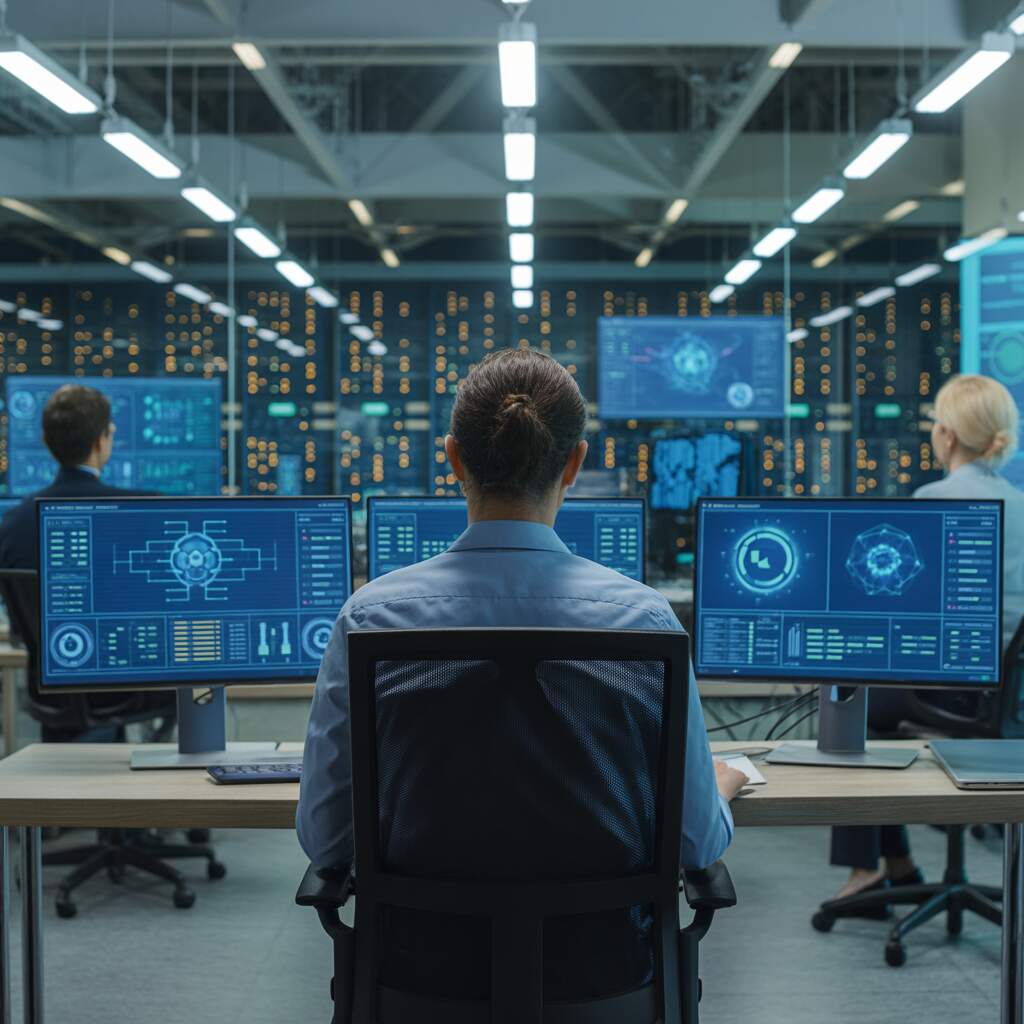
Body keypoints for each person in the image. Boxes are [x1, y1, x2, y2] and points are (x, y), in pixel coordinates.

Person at [298, 347, 746, 998]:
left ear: (453, 459)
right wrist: (719, 785)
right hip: (605, 985)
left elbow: (325, 839)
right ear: (574, 465)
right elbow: (699, 845)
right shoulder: (642, 621)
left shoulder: (372, 618)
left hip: (418, 984)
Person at [829, 373, 1024, 903]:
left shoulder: (935, 498)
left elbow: (911, 615)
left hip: (955, 690)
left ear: (947, 435)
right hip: (1010, 699)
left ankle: (869, 869)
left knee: (854, 700)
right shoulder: (1021, 502)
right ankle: (899, 864)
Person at [0, 384, 134, 570]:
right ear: (99, 442)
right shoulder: (146, 513)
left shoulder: (14, 523)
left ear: (46, 442)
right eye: (110, 433)